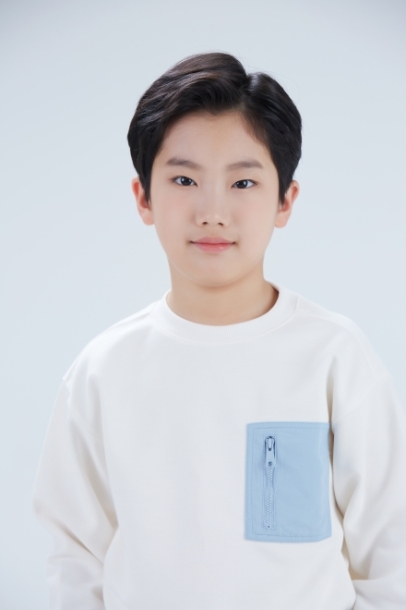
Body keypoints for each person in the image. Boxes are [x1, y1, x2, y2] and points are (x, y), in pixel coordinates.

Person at [32, 52, 406, 609]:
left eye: (243, 182)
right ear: (143, 197)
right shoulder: (104, 370)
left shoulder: (334, 355)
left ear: (285, 201)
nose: (212, 211)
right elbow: (74, 554)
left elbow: (391, 542)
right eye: (184, 179)